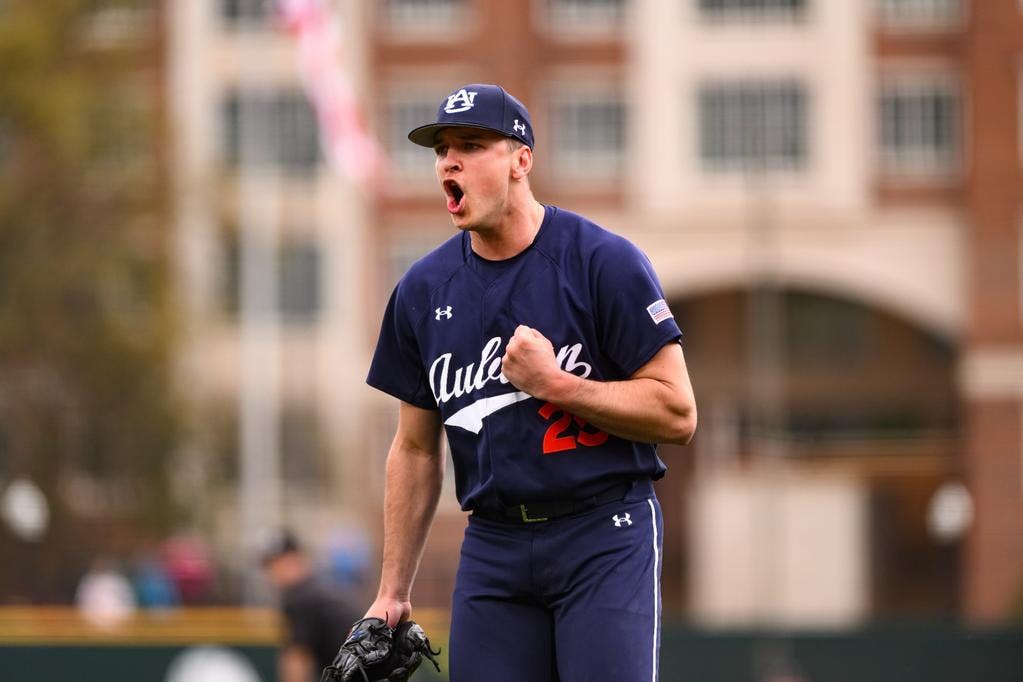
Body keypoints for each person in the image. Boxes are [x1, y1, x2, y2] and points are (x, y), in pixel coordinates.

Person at [363, 83, 697, 681]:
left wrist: (557, 384)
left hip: (604, 532)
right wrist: (392, 591)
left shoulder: (601, 261)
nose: (449, 162)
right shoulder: (422, 290)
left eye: (471, 145)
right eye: (441, 150)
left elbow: (678, 412)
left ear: (521, 160)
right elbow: (415, 448)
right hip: (494, 545)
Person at [261, 530, 359, 682]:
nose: (272, 573)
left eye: (277, 563)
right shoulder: (319, 588)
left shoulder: (301, 597)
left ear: (296, 559)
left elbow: (298, 660)